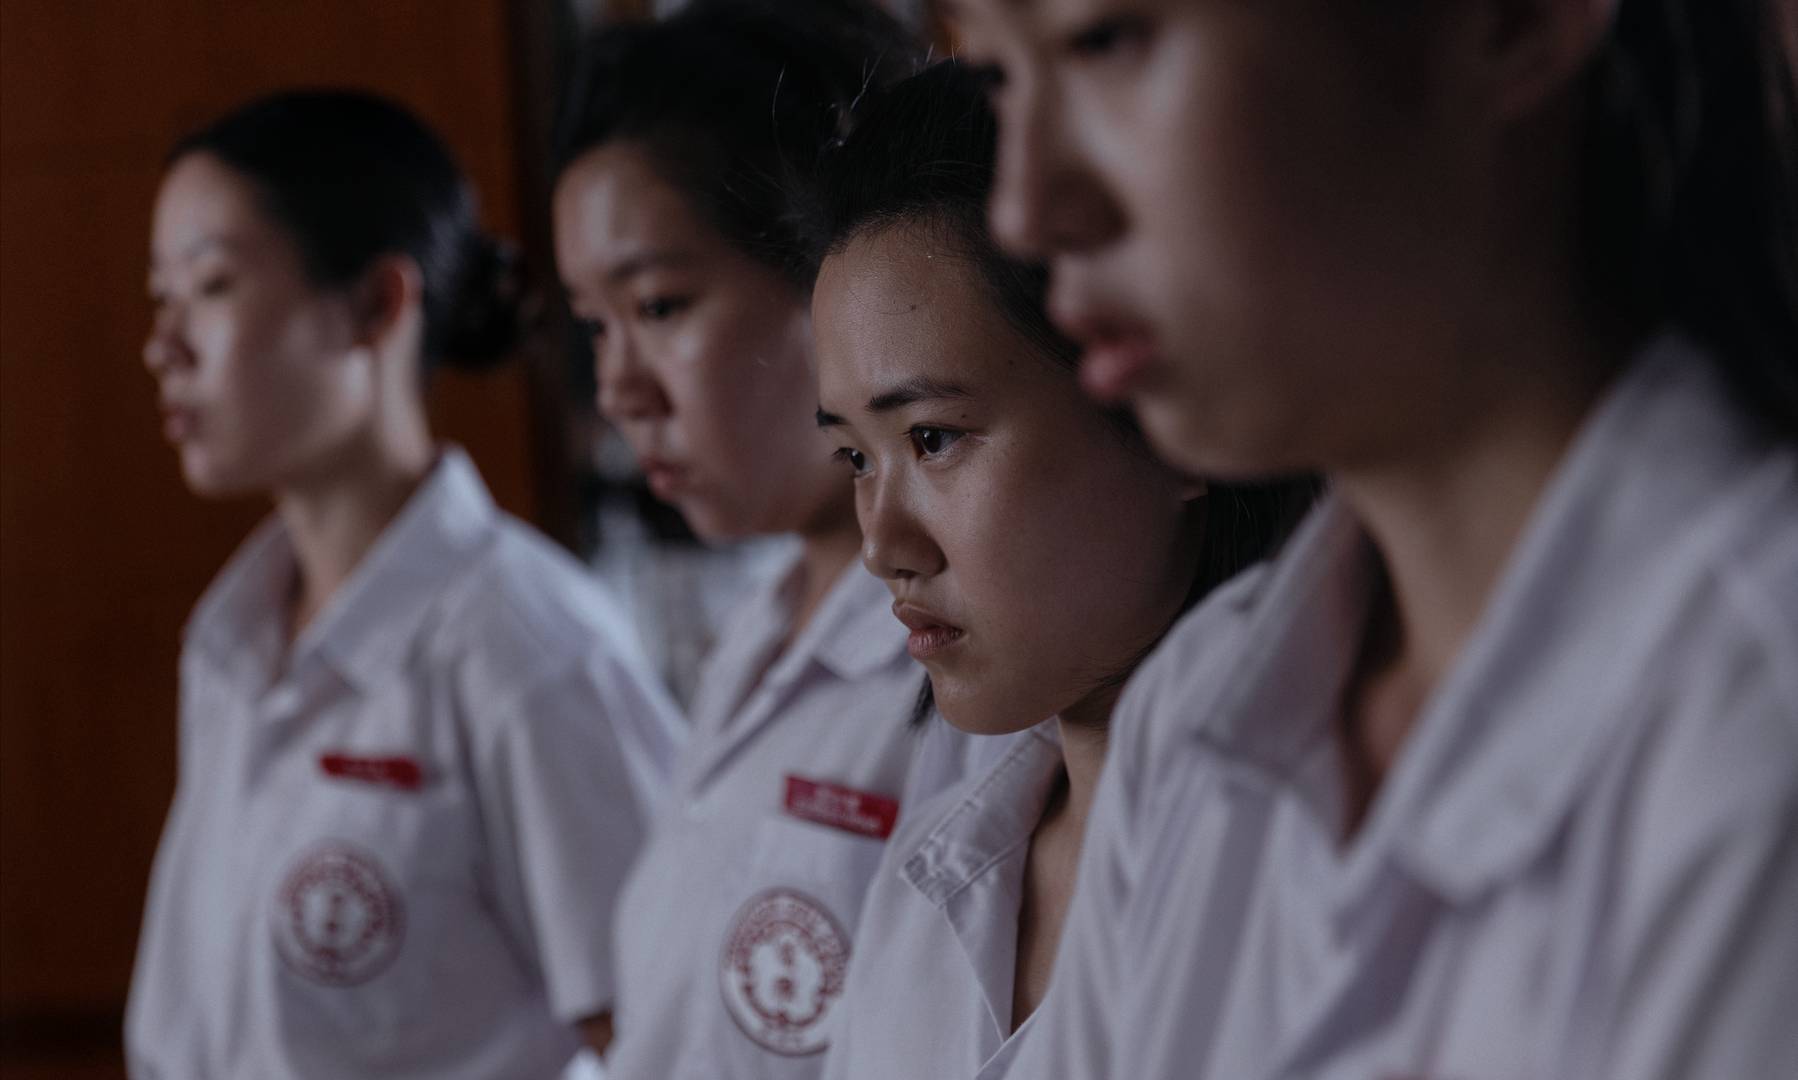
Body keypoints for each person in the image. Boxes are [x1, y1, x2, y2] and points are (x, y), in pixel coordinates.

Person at [951, 0, 1798, 1077]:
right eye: (998, 81)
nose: (1026, 208)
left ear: (1512, 24)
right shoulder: (1196, 713)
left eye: (1107, 41)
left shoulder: (1754, 721)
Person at [126, 89, 682, 1079]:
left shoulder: (526, 647)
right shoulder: (235, 641)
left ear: (377, 304)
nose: (163, 349)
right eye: (159, 301)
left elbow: (667, 1033)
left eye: (211, 288)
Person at [802, 60, 1312, 1080]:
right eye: (856, 457)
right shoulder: (929, 886)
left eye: (936, 439)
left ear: (1161, 410)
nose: (881, 542)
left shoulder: (1309, 881)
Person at [550, 4, 993, 1075]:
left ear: (833, 275)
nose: (619, 388)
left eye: (660, 305)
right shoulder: (762, 622)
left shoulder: (980, 653)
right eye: (594, 324)